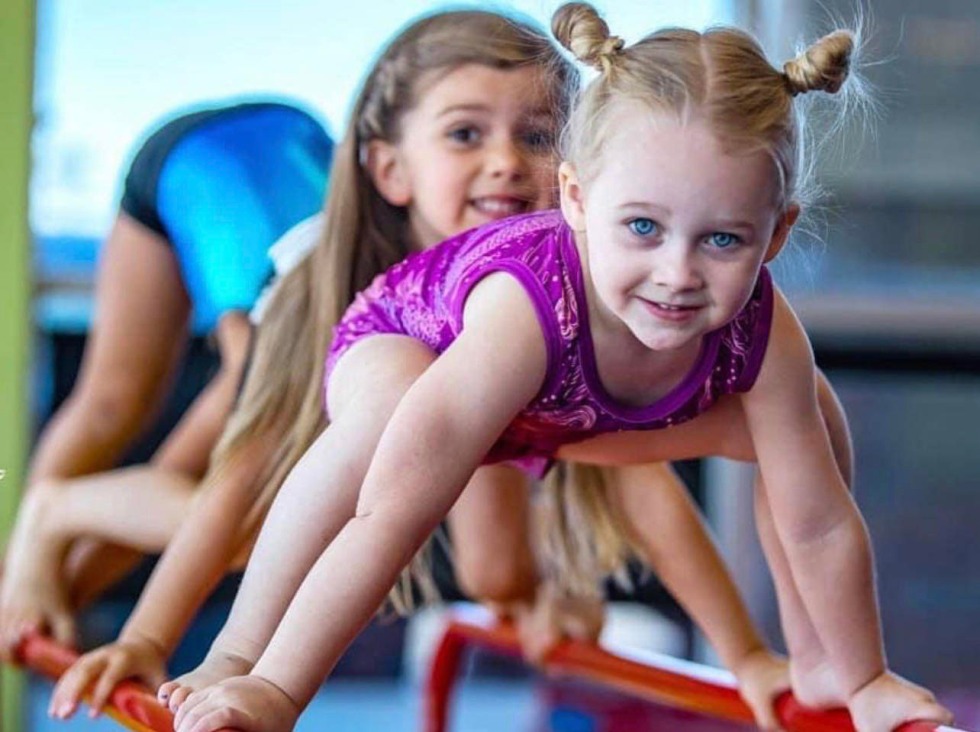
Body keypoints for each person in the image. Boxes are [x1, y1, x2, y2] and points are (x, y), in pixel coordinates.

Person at [162, 5, 957, 732]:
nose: (677, 274)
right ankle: (241, 654)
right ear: (574, 199)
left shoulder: (765, 331)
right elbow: (387, 516)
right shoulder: (526, 308)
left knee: (811, 421)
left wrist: (858, 677)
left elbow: (817, 523)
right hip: (413, 341)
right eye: (642, 227)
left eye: (723, 239)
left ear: (776, 233)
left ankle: (822, 662)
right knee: (384, 425)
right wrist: (276, 688)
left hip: (558, 415)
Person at [0, 101, 332, 651]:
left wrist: (58, 600)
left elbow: (175, 478)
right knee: (233, 517)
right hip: (231, 178)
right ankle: (38, 534)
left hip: (250, 151)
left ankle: (39, 563)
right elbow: (208, 505)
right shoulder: (294, 343)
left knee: (210, 498)